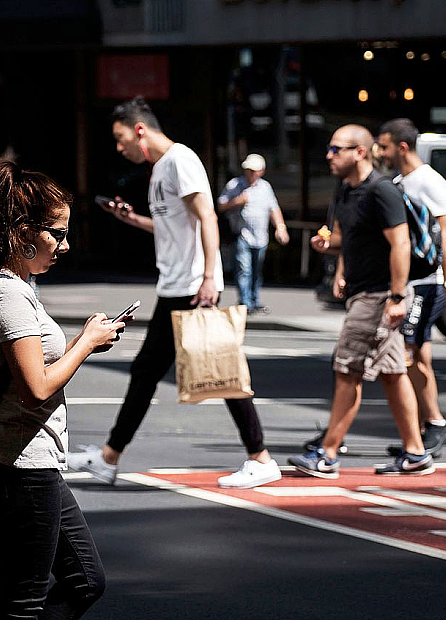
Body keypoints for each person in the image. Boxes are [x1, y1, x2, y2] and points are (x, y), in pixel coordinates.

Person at [67, 97, 281, 490]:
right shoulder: (160, 168)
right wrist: (131, 219)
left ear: (140, 130)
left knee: (220, 372)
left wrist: (210, 277)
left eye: (120, 139)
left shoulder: (181, 161)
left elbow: (208, 217)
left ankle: (260, 457)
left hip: (192, 287)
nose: (119, 148)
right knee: (150, 372)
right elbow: (173, 228)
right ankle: (110, 456)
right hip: (174, 286)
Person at [0, 161, 115, 619]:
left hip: (25, 461)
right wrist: (85, 344)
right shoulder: (7, 295)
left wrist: (79, 342)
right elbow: (36, 387)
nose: (65, 245)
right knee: (23, 603)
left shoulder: (9, 287)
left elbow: (29, 368)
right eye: (58, 233)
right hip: (18, 466)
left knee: (85, 580)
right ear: (23, 231)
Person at [288, 124, 433, 479]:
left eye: (336, 149)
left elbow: (399, 244)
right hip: (362, 292)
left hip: (380, 295)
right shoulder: (347, 190)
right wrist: (332, 253)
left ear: (360, 152)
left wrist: (398, 296)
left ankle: (328, 454)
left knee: (347, 370)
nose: (329, 155)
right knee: (393, 374)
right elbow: (343, 236)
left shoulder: (381, 191)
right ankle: (415, 453)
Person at [376, 118, 446, 457]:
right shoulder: (400, 181)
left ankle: (432, 424)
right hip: (412, 281)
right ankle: (426, 428)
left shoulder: (431, 183)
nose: (379, 153)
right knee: (418, 355)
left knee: (409, 354)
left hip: (428, 284)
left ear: (402, 147)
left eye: (384, 146)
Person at [216, 153, 289, 314]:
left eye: (254, 170)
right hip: (242, 234)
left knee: (256, 270)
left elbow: (274, 208)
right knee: (244, 269)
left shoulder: (265, 187)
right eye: (248, 170)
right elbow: (221, 206)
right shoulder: (234, 185)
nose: (251, 173)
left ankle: (254, 299)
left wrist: (280, 227)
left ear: (261, 171)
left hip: (260, 236)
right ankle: (245, 302)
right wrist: (236, 201)